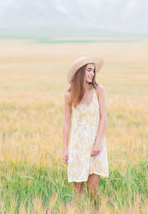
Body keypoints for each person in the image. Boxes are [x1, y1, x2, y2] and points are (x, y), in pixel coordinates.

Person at [63, 56, 109, 209]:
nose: (92, 73)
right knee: (77, 190)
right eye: (89, 70)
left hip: (96, 146)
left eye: (93, 70)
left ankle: (97, 211)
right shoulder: (69, 95)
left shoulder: (98, 90)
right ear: (80, 72)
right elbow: (67, 122)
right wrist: (65, 149)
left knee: (92, 187)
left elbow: (104, 118)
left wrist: (98, 144)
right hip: (77, 146)